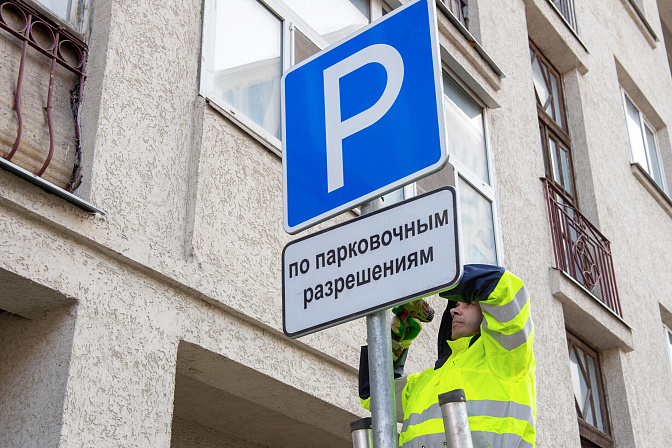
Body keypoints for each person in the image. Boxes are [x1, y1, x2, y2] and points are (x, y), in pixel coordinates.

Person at [359, 264, 536, 448]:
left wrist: (425, 272)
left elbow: (502, 288)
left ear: (488, 312)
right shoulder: (427, 381)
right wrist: (396, 343)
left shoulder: (505, 356)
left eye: (468, 304)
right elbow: (375, 395)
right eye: (456, 305)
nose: (454, 310)